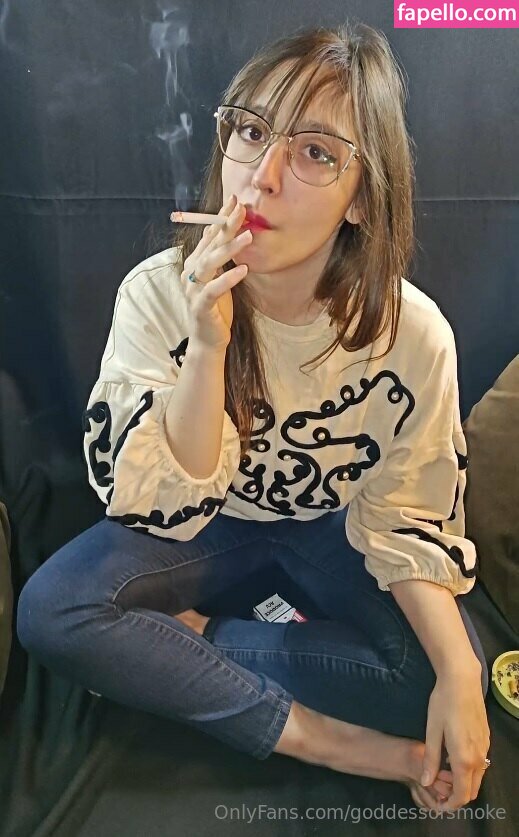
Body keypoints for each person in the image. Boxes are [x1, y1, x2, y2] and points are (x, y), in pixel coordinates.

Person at [16, 22, 491, 812]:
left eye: (315, 152)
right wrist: (207, 345)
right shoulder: (157, 294)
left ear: (361, 200)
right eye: (250, 131)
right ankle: (345, 746)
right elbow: (162, 506)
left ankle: (188, 642)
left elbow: (405, 517)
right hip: (204, 526)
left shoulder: (411, 335)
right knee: (54, 611)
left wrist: (461, 673)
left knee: (435, 677)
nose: (260, 178)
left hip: (332, 527)